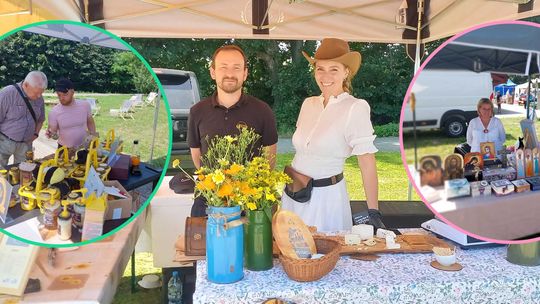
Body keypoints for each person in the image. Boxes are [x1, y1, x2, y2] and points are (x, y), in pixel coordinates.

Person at [281, 38, 382, 232]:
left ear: (346, 72)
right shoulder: (308, 104)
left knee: (323, 257)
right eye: (320, 69)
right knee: (291, 255)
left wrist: (373, 211)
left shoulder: (355, 107)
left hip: (325, 200)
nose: (325, 75)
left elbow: (367, 161)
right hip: (294, 194)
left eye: (333, 69)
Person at [187, 44, 278, 217]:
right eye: (223, 67)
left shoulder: (263, 110)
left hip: (251, 202)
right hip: (209, 199)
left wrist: (246, 187)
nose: (230, 73)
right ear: (213, 72)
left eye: (236, 68)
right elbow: (197, 157)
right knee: (205, 244)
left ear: (245, 73)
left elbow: (269, 160)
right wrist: (217, 187)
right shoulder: (197, 111)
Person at [0, 71, 47, 168]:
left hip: (26, 144)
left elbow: (41, 119)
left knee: (25, 172)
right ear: (26, 85)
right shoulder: (7, 94)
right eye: (36, 93)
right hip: (4, 141)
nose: (39, 96)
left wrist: (36, 133)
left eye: (41, 93)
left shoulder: (39, 98)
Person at [46, 79, 97, 149]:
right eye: (59, 95)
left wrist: (93, 136)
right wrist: (52, 134)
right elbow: (55, 136)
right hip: (64, 150)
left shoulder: (85, 105)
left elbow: (90, 122)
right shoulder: (54, 112)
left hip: (84, 147)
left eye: (65, 94)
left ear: (72, 92)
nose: (61, 98)